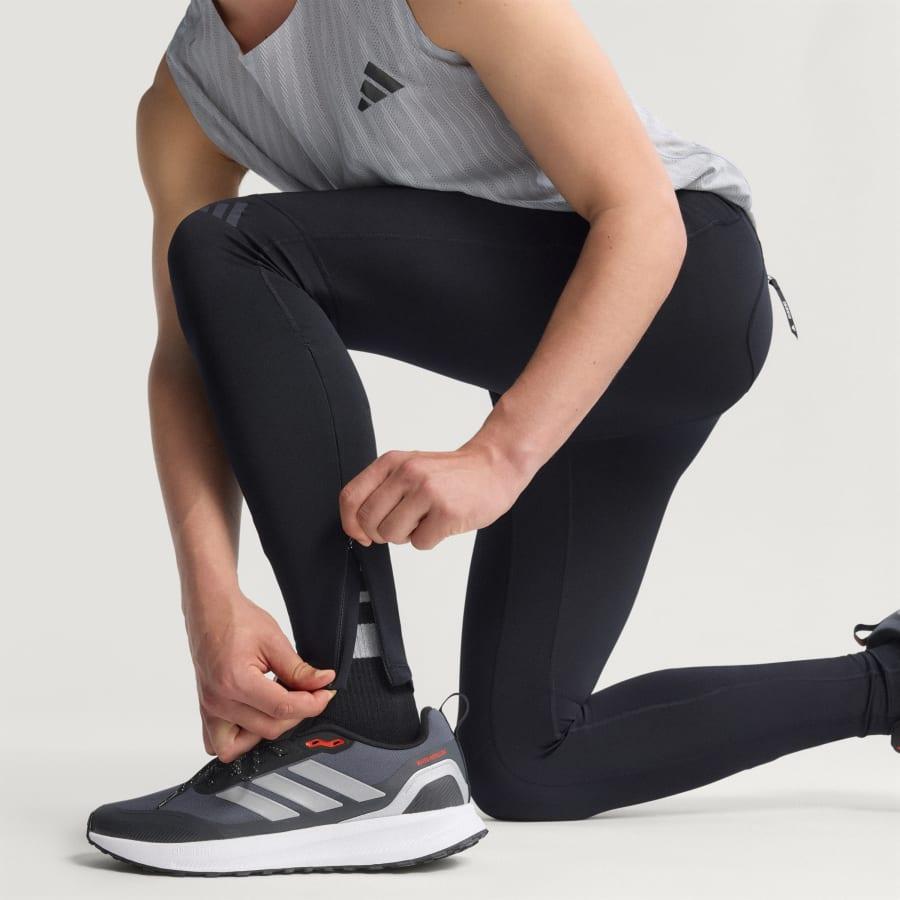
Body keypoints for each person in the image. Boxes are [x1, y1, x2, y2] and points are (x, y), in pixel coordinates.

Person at [86, 0, 900, 875]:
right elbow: (189, 354)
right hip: (568, 369)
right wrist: (210, 603)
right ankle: (886, 688)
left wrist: (501, 454)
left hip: (682, 291)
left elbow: (643, 215)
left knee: (233, 245)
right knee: (524, 760)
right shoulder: (188, 93)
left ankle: (359, 726)